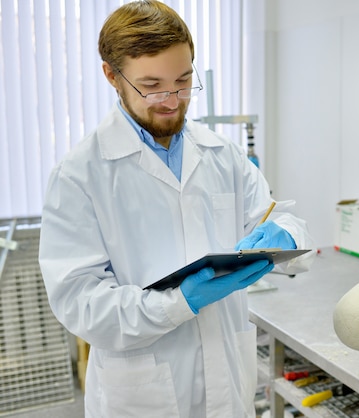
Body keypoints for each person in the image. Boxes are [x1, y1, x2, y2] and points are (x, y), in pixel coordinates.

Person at [38, 1, 315, 417]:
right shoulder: (80, 175)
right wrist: (178, 302)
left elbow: (275, 218)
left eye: (184, 81)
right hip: (142, 393)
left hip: (228, 382)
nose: (172, 100)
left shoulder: (224, 154)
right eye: (152, 85)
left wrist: (286, 234)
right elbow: (81, 304)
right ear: (112, 76)